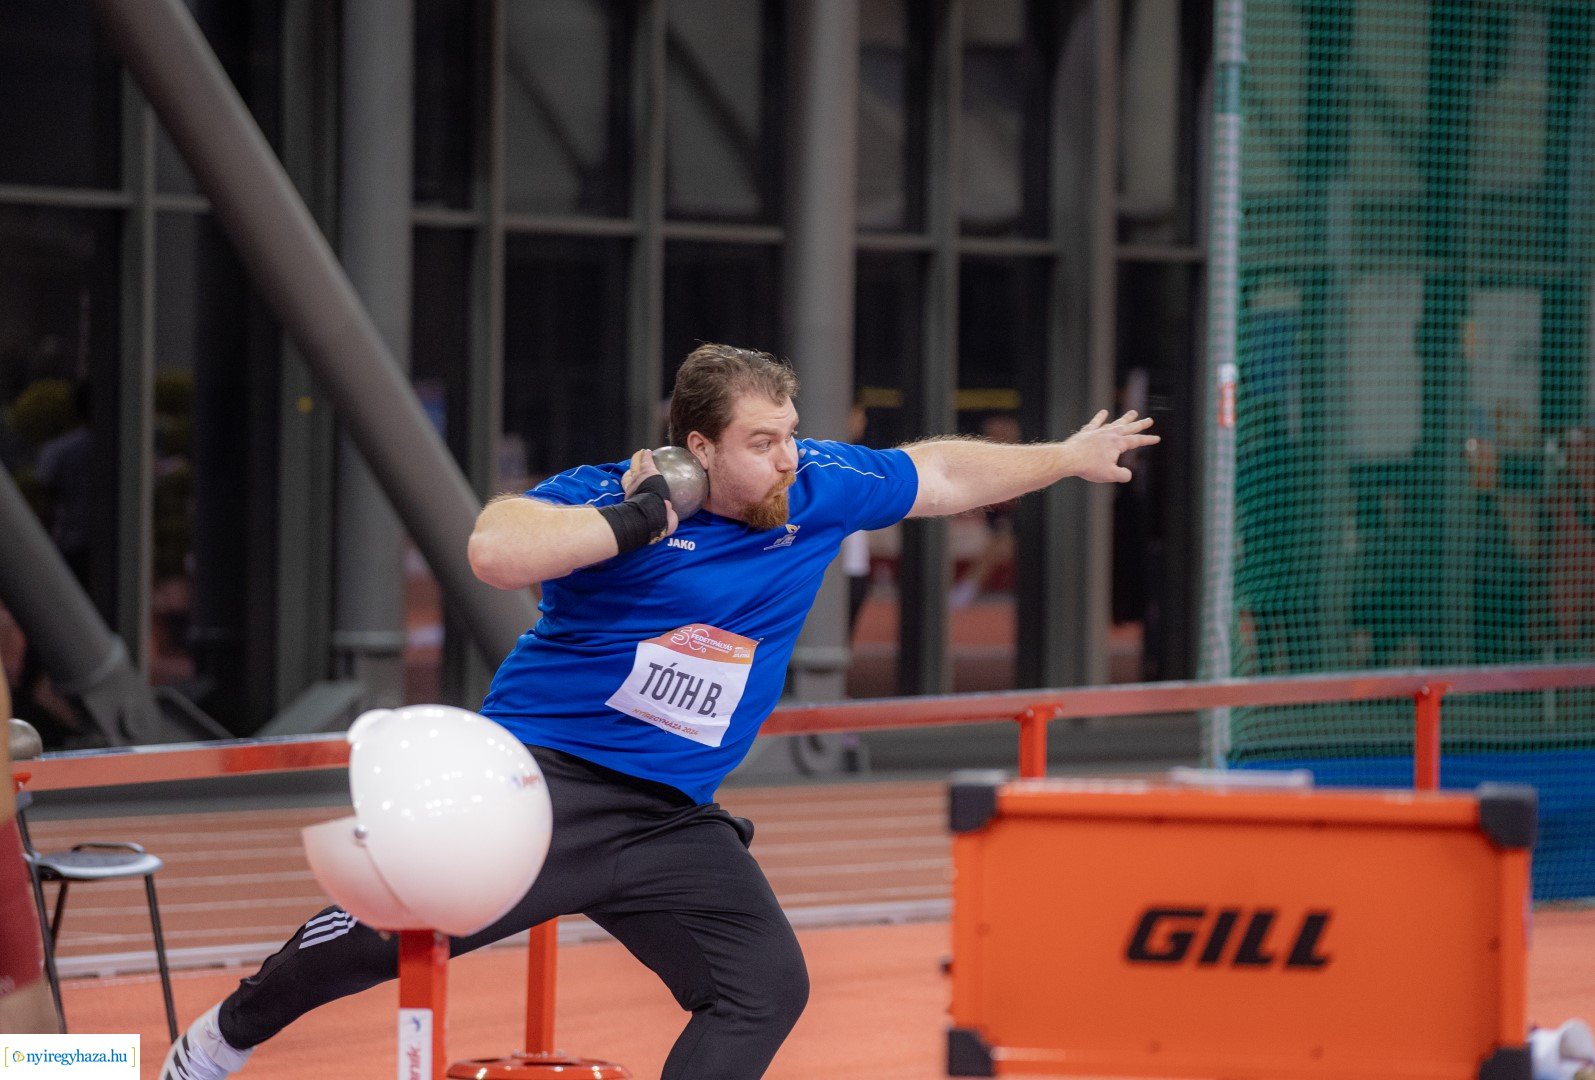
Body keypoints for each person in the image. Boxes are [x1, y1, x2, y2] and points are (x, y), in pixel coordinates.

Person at [161, 343, 1157, 1080]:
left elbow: (937, 472)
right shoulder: (614, 496)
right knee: (374, 942)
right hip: (535, 788)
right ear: (695, 445)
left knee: (763, 986)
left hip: (668, 814)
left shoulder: (814, 490)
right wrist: (634, 521)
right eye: (760, 442)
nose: (785, 459)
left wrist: (1062, 457)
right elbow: (492, 550)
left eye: (789, 434)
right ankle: (216, 1044)